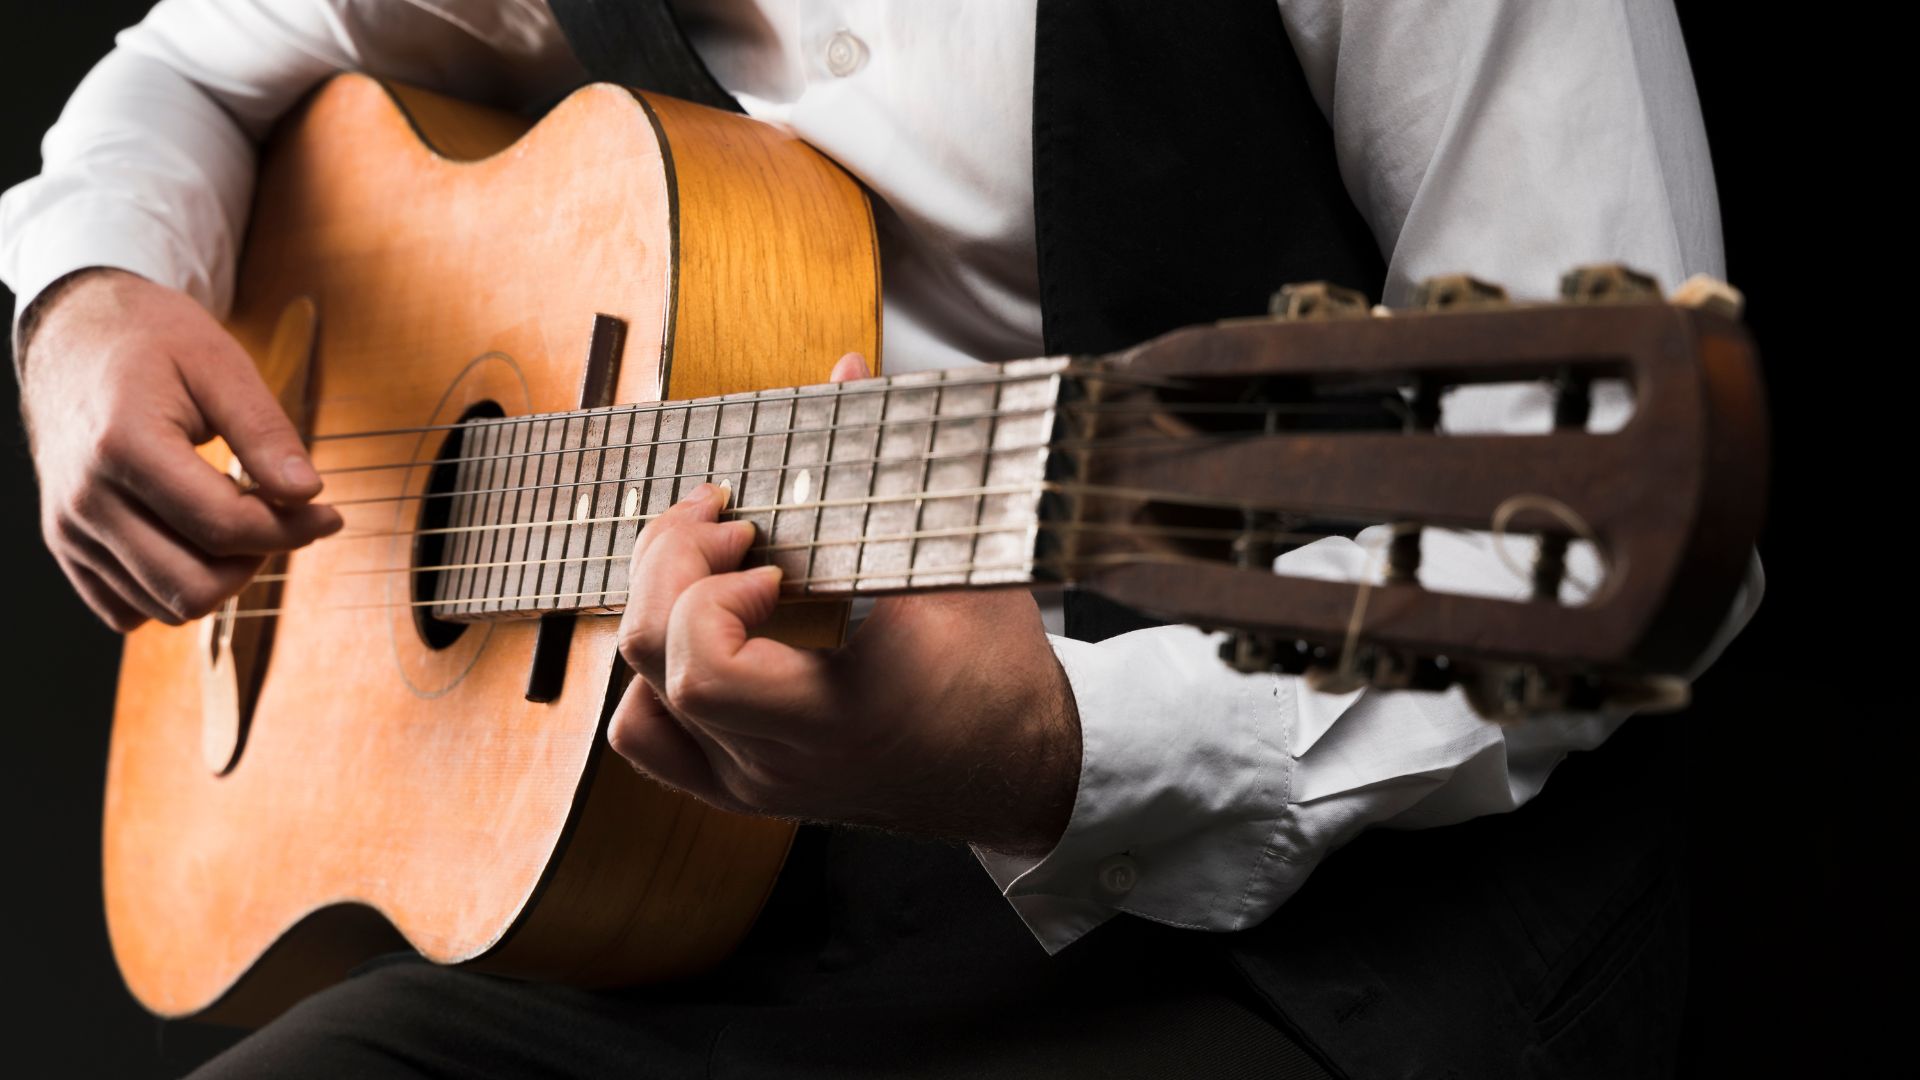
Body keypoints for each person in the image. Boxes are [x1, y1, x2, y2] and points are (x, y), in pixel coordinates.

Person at [0, 2, 1759, 1076]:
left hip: (1358, 950)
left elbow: (1626, 515)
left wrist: (1045, 747)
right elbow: (179, 68)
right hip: (748, 914)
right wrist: (86, 306)